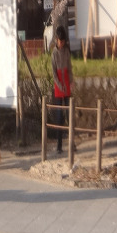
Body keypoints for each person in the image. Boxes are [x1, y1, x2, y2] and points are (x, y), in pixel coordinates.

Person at [51, 25, 73, 154]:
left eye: (63, 41)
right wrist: (60, 85)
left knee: (70, 115)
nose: (61, 43)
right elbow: (54, 74)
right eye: (60, 41)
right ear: (56, 40)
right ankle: (59, 145)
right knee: (59, 117)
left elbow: (69, 68)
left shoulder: (66, 52)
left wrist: (71, 81)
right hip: (59, 88)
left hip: (67, 86)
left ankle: (72, 143)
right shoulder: (54, 54)